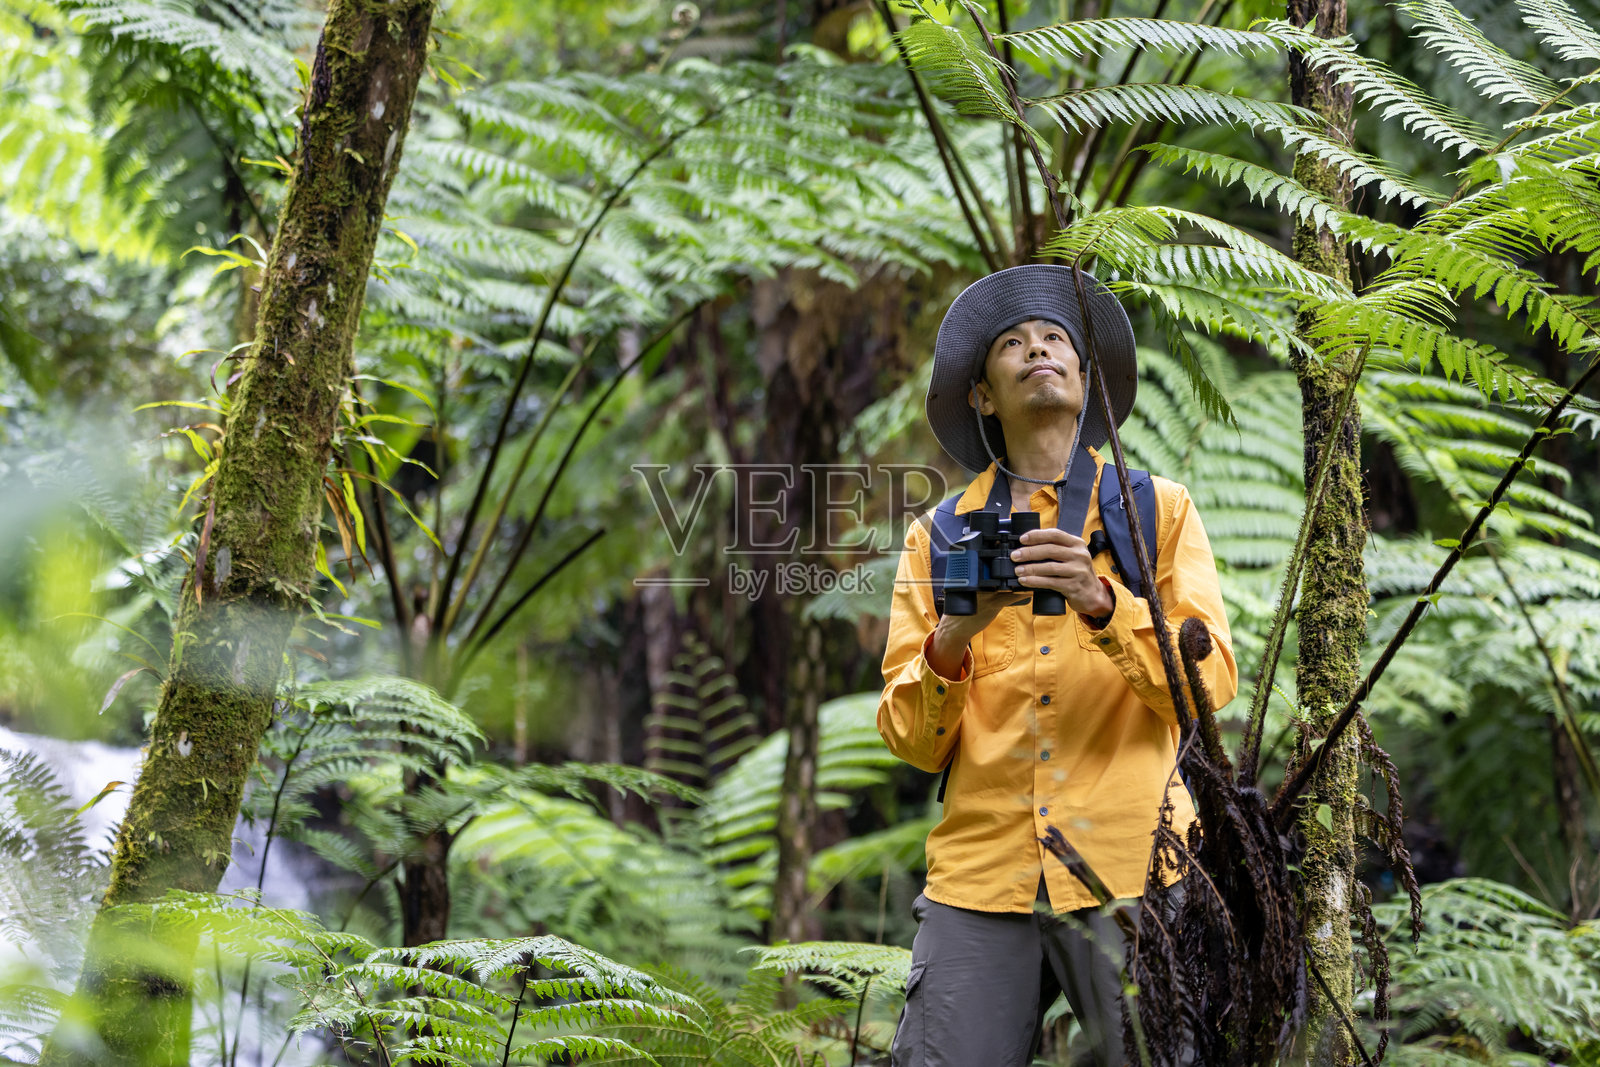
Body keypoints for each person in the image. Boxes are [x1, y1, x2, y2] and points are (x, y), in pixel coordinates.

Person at [877, 264, 1238, 1066]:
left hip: (1135, 862)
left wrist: (1105, 603)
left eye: (1055, 340)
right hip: (981, 875)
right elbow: (908, 738)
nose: (1037, 349)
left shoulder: (1158, 511)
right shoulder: (937, 538)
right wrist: (954, 638)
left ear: (1086, 377)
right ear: (982, 394)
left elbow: (1211, 685)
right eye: (1013, 343)